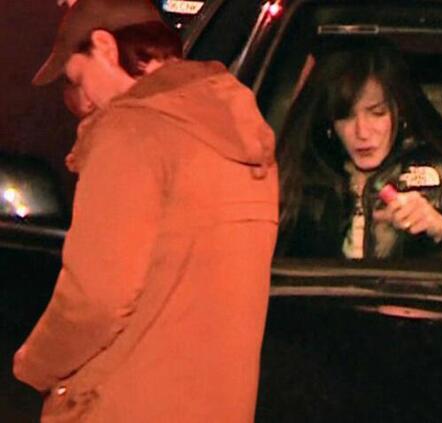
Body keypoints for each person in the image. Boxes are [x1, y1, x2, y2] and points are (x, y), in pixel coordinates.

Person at [12, 0, 278, 421]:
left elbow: (96, 297)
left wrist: (35, 364)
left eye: (79, 81)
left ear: (105, 47)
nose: (83, 103)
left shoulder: (131, 133)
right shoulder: (239, 133)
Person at [276, 39, 442, 259]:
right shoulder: (305, 174)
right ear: (330, 121)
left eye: (377, 113)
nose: (362, 132)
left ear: (399, 109)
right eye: (346, 116)